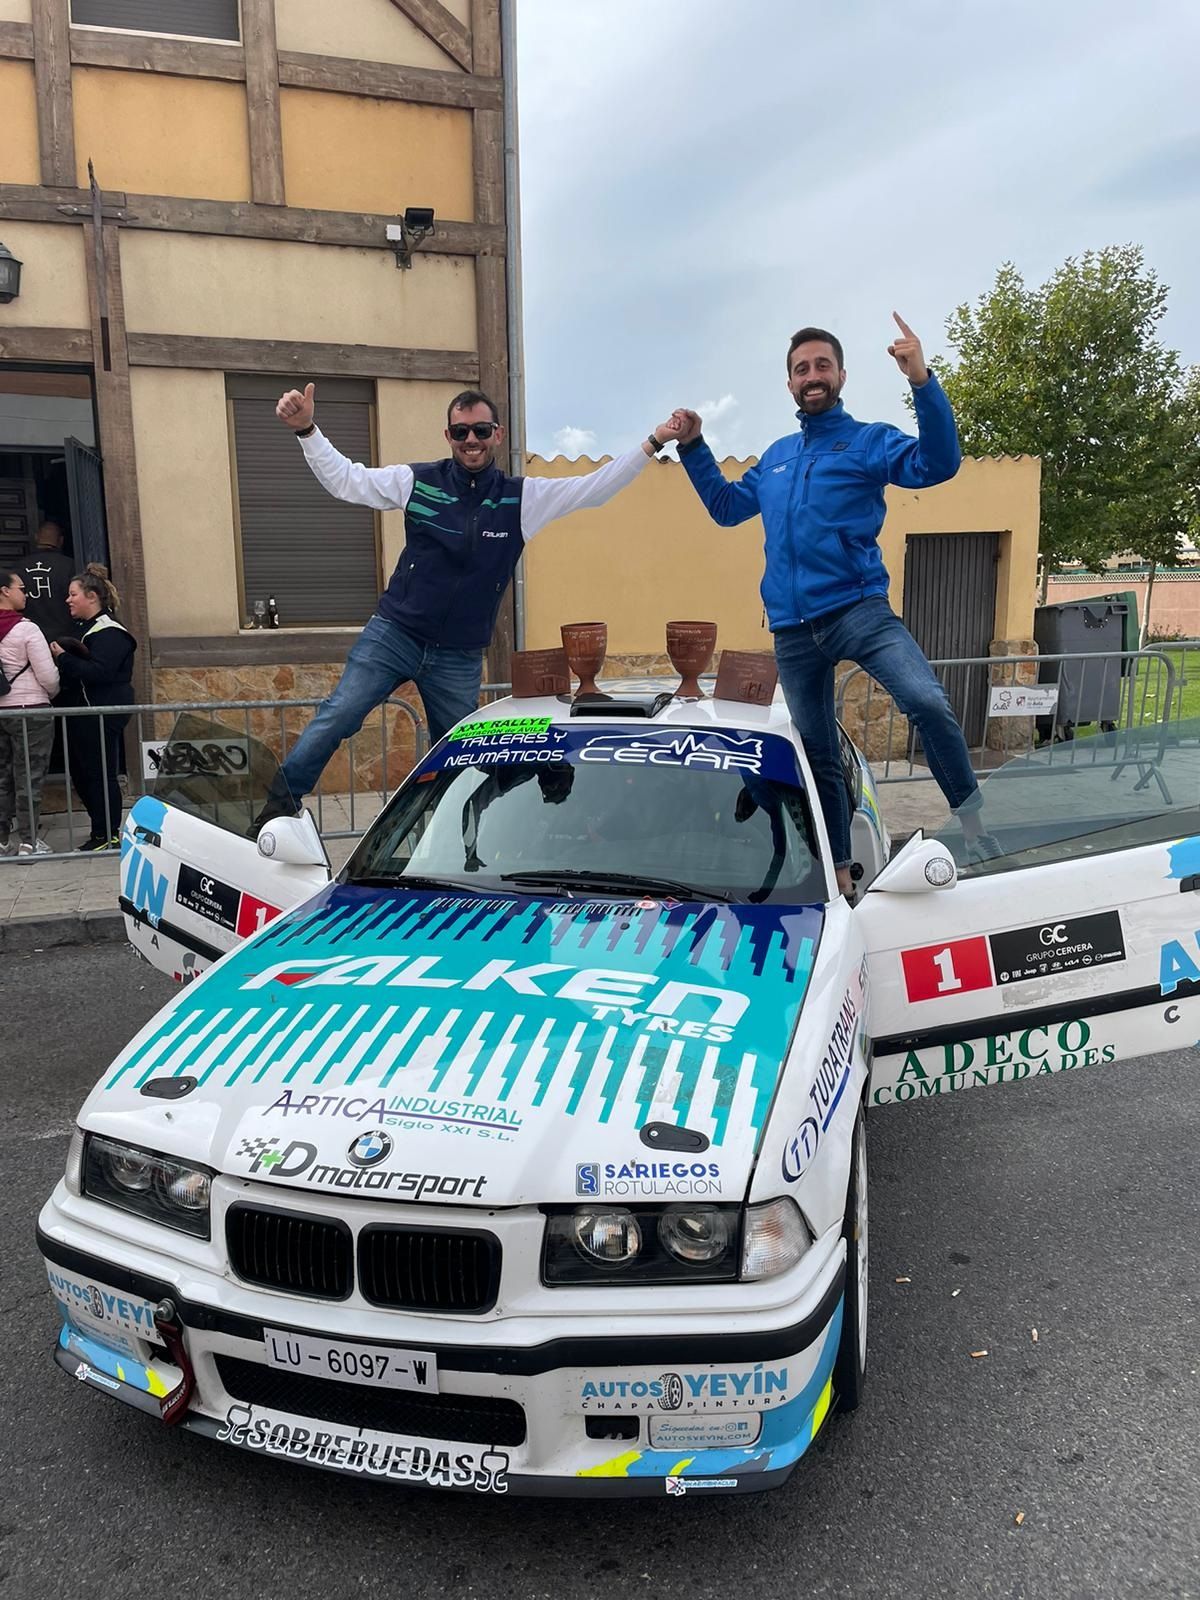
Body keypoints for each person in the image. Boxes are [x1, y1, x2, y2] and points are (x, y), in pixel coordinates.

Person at [669, 315, 996, 898]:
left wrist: (921, 379)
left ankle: (974, 829)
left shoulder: (868, 442)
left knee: (927, 701)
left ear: (841, 374)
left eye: (822, 366)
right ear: (789, 384)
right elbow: (723, 507)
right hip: (794, 632)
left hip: (859, 611)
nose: (812, 376)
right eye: (801, 369)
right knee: (818, 751)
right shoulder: (775, 457)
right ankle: (841, 870)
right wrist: (694, 445)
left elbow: (937, 464)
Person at [261, 384, 676, 821]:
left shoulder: (522, 498)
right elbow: (348, 481)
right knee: (338, 715)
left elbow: (596, 488)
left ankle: (504, 795)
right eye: (461, 432)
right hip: (394, 634)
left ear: (497, 434)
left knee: (464, 755)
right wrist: (307, 429)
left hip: (456, 656)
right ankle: (276, 807)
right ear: (448, 437)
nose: (471, 439)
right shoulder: (417, 482)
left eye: (480, 429)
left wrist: (653, 442)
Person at [50, 564, 136, 851]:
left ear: (92, 596)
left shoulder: (110, 631)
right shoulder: (85, 629)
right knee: (83, 772)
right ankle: (100, 828)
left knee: (100, 773)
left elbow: (101, 672)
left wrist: (63, 659)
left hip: (102, 713)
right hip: (85, 713)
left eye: (73, 594)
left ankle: (107, 834)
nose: (68, 600)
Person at [0, 568, 61, 855]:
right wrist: (51, 693)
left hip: (2, 713)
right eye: (21, 588)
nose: (25, 593)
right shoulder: (26, 629)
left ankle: (1, 841)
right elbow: (48, 675)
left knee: (2, 776)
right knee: (29, 775)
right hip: (30, 710)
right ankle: (28, 840)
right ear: (4, 591)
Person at [19, 521, 76, 644]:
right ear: (60, 541)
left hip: (30, 637)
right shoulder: (70, 566)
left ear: (36, 537)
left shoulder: (19, 567)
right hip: (64, 635)